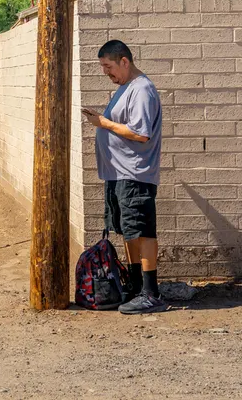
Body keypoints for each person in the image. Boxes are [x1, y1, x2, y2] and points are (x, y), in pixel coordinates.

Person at [81, 40, 166, 315]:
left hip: (135, 174)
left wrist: (103, 123)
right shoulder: (124, 88)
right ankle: (134, 285)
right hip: (119, 174)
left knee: (142, 231)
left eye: (109, 66)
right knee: (128, 230)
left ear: (124, 61)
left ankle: (151, 293)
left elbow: (141, 133)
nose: (106, 73)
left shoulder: (142, 89)